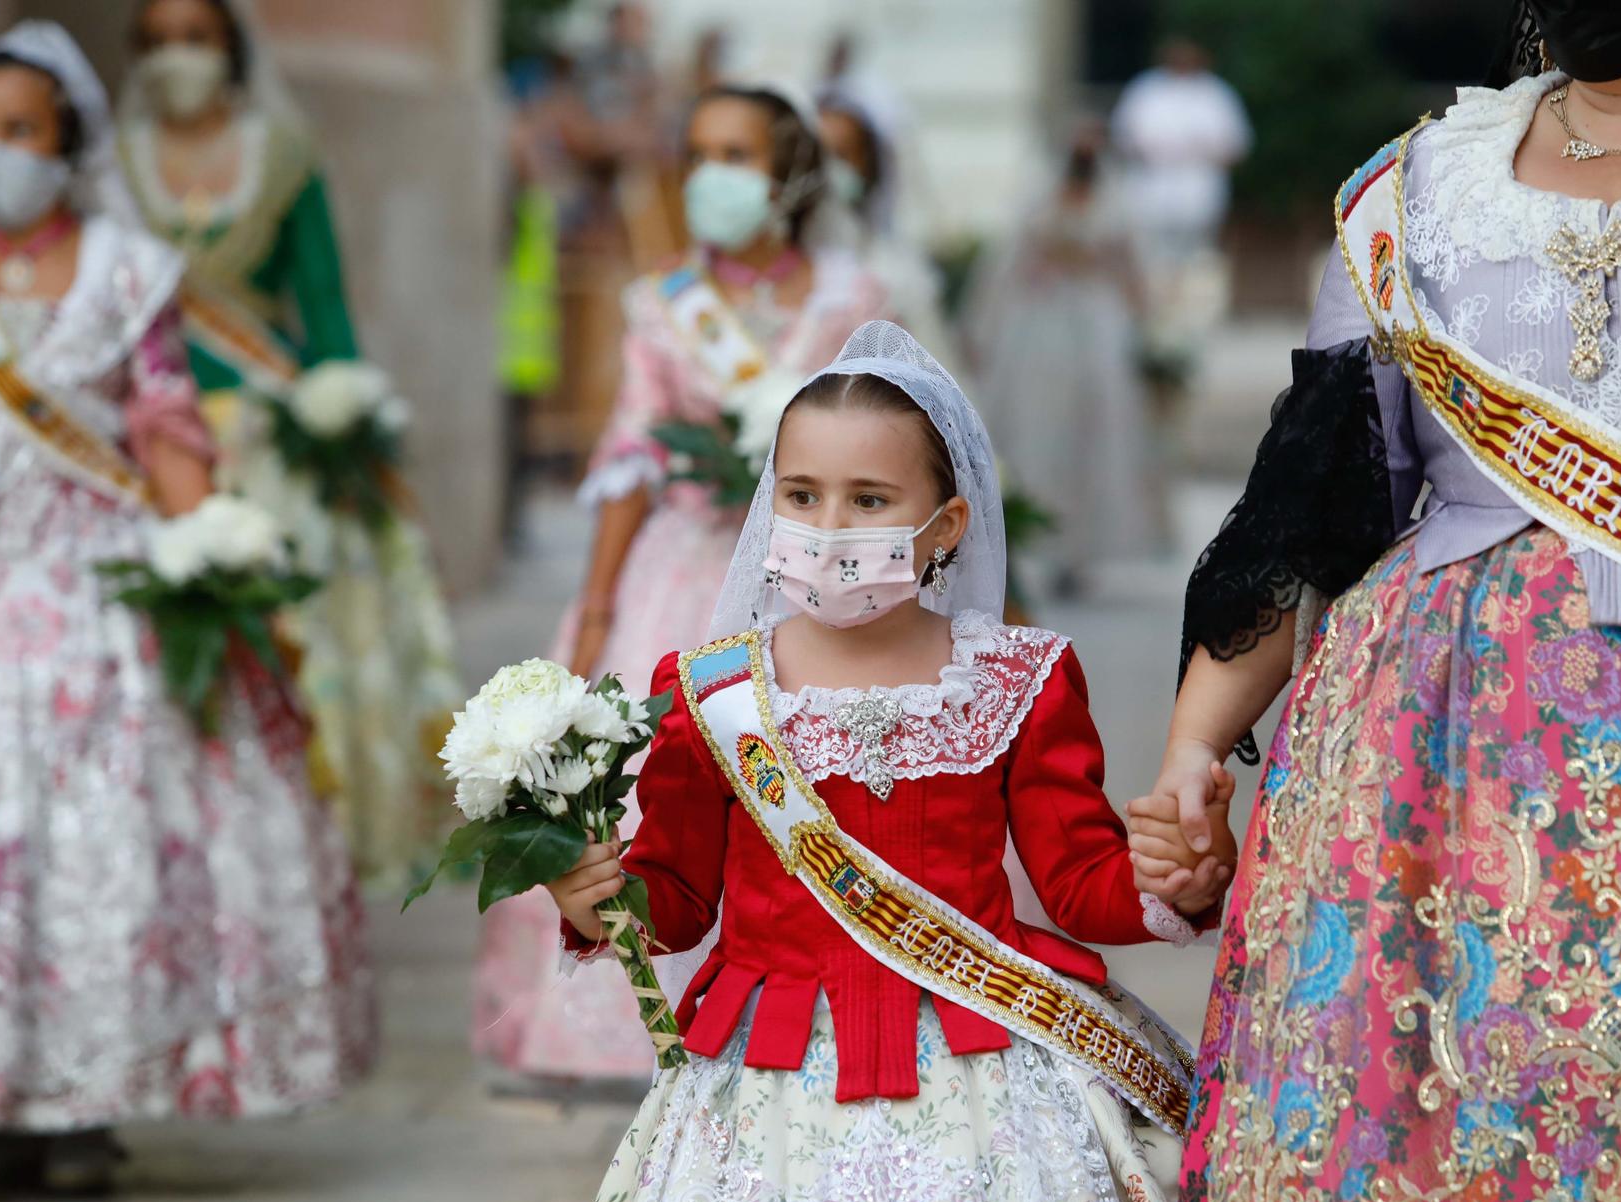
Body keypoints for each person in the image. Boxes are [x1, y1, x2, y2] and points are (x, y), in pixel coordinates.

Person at [1136, 1, 1621, 1202]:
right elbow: (1319, 502)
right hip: (1428, 776)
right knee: (1430, 1145)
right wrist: (1189, 751)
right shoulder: (1415, 189)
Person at [547, 322, 1204, 1202]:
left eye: (867, 501)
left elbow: (1080, 885)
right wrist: (596, 900)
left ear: (943, 526)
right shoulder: (713, 691)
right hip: (763, 1080)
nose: (827, 526)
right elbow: (674, 904)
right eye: (801, 495)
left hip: (982, 1072)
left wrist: (1174, 879)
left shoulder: (1016, 679)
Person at [0, 22, 374, 1194]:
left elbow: (166, 427)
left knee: (101, 836)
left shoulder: (132, 268)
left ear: (66, 141)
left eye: (20, 131)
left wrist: (216, 554)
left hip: (99, 573)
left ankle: (83, 1105)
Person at [470, 83, 890, 1085]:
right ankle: (650, 1017)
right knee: (654, 787)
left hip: (808, 580)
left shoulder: (851, 297)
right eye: (698, 153)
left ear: (787, 174)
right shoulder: (662, 305)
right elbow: (630, 456)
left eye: (736, 154)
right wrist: (598, 611)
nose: (711, 176)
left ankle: (805, 998)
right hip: (681, 570)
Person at [117, 0, 461, 896]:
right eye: (155, 42)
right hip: (149, 442)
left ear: (229, 48)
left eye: (193, 38)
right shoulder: (110, 169)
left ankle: (300, 830)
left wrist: (346, 421)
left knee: (298, 639)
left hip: (268, 439)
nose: (174, 58)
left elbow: (324, 302)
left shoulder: (281, 157)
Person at [967, 125, 1153, 597]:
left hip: (1096, 329)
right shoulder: (1040, 201)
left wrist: (1151, 335)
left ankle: (1081, 550)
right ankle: (1037, 543)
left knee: (1094, 436)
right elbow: (1005, 267)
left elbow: (1132, 270)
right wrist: (984, 330)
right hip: (1042, 329)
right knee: (1038, 431)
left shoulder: (1116, 204)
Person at [1108, 39, 1249, 365]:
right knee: (1151, 264)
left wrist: (1197, 149)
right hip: (1151, 195)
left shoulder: (1215, 94)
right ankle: (1152, 330)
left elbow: (1234, 146)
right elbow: (1124, 138)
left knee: (1195, 268)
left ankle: (1190, 335)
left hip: (1198, 196)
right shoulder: (1145, 90)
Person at [818, 90, 961, 367]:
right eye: (818, 154)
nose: (827, 168)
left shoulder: (893, 267)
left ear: (869, 165)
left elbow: (932, 365)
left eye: (842, 154)